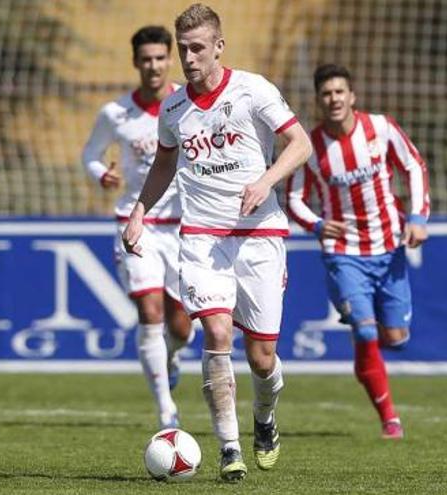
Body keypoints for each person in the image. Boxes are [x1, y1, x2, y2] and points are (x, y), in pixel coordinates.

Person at [122, 3, 312, 482]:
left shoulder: (253, 90)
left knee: (262, 358)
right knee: (217, 334)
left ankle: (264, 420)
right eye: (183, 49)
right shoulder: (174, 108)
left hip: (260, 237)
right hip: (204, 239)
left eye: (197, 48)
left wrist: (266, 181)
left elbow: (300, 144)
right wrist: (140, 212)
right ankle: (229, 448)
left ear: (219, 47)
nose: (188, 58)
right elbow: (165, 164)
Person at [286, 63, 430, 440]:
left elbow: (413, 166)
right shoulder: (311, 146)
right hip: (343, 252)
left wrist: (417, 216)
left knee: (395, 338)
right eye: (326, 94)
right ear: (319, 101)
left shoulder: (380, 129)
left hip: (389, 246)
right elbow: (295, 199)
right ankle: (389, 419)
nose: (333, 99)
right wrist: (317, 225)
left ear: (352, 96)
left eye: (339, 92)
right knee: (365, 332)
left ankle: (369, 347)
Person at [82, 25, 194, 430]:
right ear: (135, 62)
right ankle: (167, 410)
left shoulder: (189, 103)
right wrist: (101, 176)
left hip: (184, 228)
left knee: (182, 326)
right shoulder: (115, 113)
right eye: (146, 59)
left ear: (170, 60)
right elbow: (90, 154)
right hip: (137, 222)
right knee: (149, 311)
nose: (153, 66)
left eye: (160, 58)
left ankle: (172, 353)